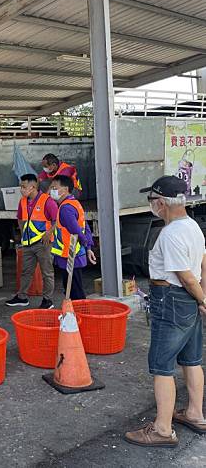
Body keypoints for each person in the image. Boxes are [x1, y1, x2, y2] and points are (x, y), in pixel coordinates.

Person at [125, 176, 206, 448]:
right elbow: (203, 265)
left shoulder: (170, 234)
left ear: (161, 202)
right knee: (191, 360)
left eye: (152, 200)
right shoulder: (192, 226)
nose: (151, 205)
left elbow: (185, 276)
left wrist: (203, 298)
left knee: (162, 366)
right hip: (187, 302)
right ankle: (195, 413)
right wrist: (202, 298)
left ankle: (162, 429)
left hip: (171, 299)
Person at [6, 174, 58, 309]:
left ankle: (48, 300)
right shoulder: (22, 201)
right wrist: (23, 234)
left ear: (33, 187)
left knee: (47, 272)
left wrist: (49, 232)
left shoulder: (47, 201)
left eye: (23, 186)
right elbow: (20, 218)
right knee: (26, 271)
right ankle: (22, 297)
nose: (21, 189)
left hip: (43, 243)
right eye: (20, 186)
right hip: (28, 243)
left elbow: (57, 219)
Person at [49, 175, 96, 300]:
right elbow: (85, 227)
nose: (51, 191)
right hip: (73, 254)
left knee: (75, 290)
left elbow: (76, 231)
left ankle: (79, 314)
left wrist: (87, 246)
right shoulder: (74, 203)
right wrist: (88, 247)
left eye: (54, 188)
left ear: (64, 190)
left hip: (70, 256)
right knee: (75, 287)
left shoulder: (65, 208)